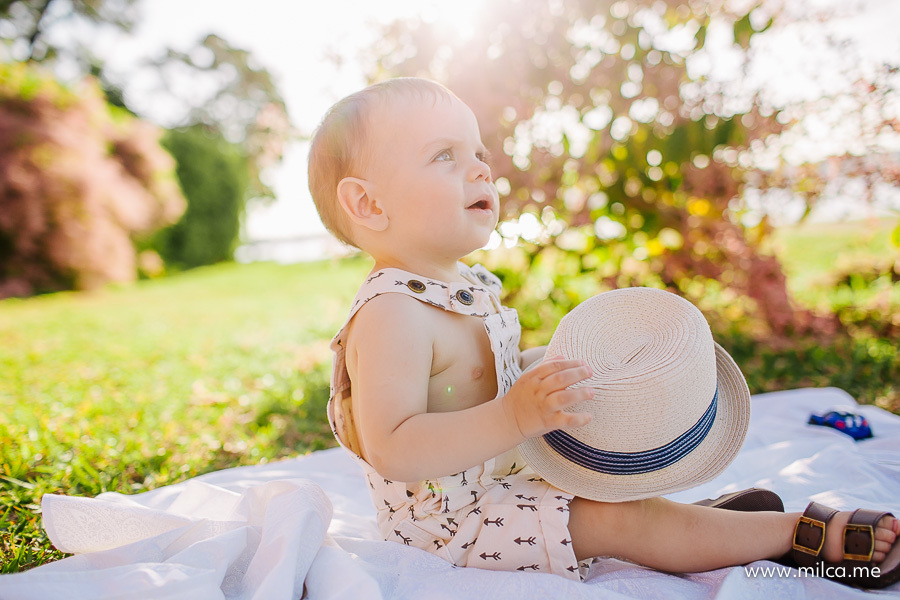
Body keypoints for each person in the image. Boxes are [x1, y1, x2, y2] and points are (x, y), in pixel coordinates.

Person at [307, 77, 900, 587]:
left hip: (501, 480)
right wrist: (514, 418)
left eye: (478, 152)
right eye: (444, 156)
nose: (481, 168)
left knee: (613, 480)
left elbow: (474, 387)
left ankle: (706, 526)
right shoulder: (392, 313)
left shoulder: (464, 284)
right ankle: (796, 535)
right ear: (367, 203)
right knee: (622, 521)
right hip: (449, 526)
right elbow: (395, 447)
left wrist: (538, 387)